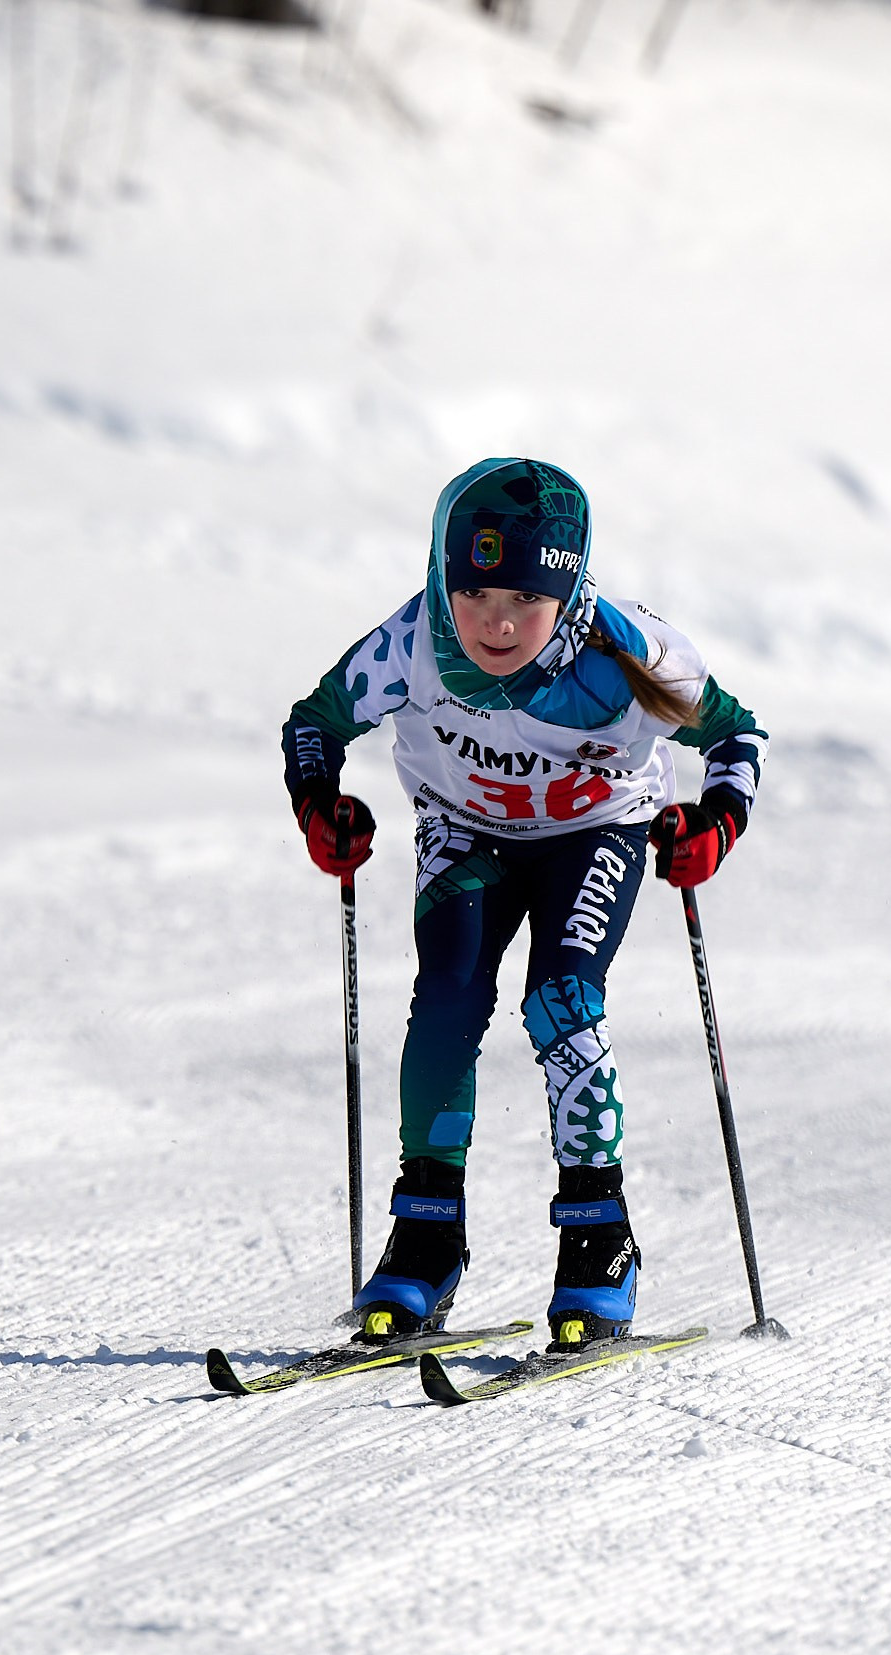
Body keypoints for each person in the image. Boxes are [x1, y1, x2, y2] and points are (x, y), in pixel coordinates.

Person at [282, 457, 766, 1350]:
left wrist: (715, 823)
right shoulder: (414, 643)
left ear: (572, 592)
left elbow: (734, 733)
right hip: (467, 830)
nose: (496, 623)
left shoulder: (629, 655)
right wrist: (321, 807)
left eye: (525, 602)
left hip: (595, 834)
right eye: (475, 593)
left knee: (561, 995)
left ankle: (599, 1237)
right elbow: (313, 723)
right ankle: (427, 1236)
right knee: (448, 997)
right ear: (441, 575)